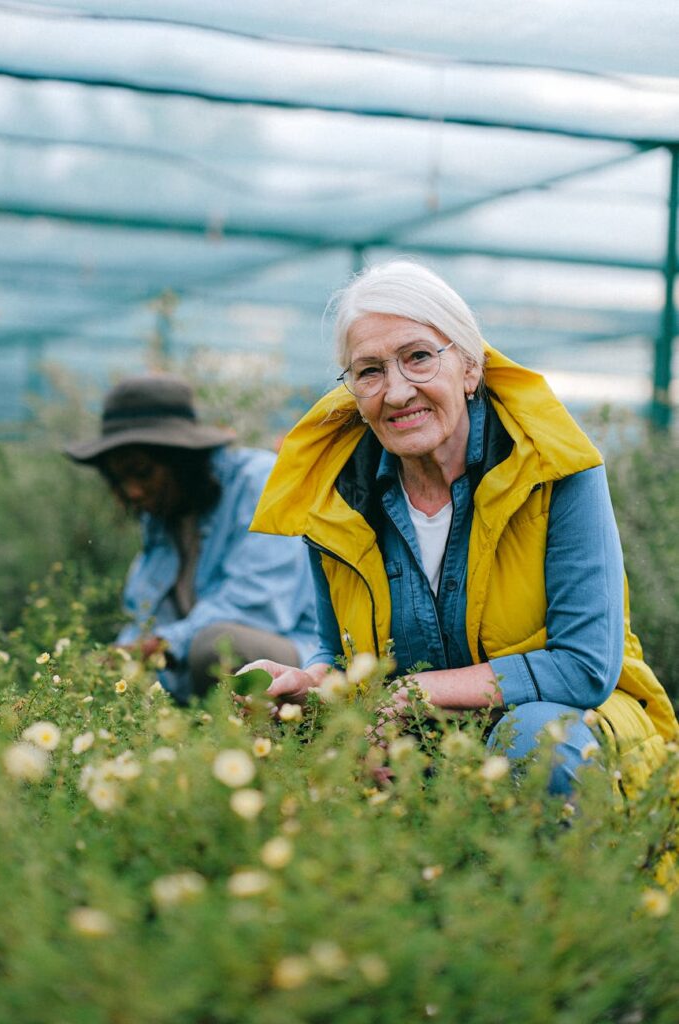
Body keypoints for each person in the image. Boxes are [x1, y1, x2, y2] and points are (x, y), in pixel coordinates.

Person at [242, 260, 677, 794]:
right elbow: (339, 655)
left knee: (533, 738)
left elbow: (585, 667)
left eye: (418, 357)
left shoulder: (556, 472)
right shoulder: (335, 498)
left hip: (576, 727)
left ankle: (565, 877)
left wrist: (412, 693)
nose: (397, 392)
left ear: (470, 368)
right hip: (417, 735)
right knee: (279, 740)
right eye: (370, 371)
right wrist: (307, 685)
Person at [66, 373, 316, 703]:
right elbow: (149, 617)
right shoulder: (165, 513)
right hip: (204, 667)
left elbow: (257, 604)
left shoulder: (259, 481)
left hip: (297, 661)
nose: (132, 491)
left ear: (181, 458)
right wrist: (110, 659)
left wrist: (156, 648)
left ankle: (256, 746)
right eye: (118, 478)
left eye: (142, 472)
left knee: (218, 647)